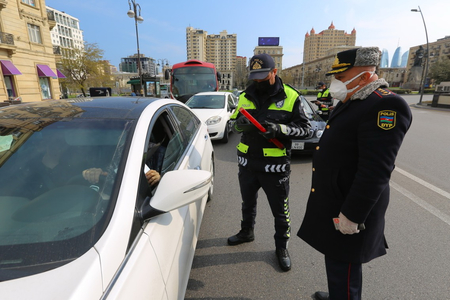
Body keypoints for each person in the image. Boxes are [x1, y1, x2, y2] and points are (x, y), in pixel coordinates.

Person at [297, 47, 412, 299]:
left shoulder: (385, 105)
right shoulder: (354, 98)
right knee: (337, 261)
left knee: (345, 268)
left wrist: (352, 215)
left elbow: (376, 171)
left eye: (340, 76)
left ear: (362, 77)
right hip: (337, 199)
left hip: (349, 207)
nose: (334, 82)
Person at [228, 53, 313, 272]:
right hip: (247, 164)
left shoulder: (291, 96)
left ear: (275, 72)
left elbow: (306, 130)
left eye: (263, 76)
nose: (258, 81)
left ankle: (281, 248)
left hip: (275, 168)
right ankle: (247, 232)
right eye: (254, 76)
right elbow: (235, 123)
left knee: (280, 211)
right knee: (247, 204)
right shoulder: (245, 94)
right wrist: (240, 124)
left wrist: (280, 129)